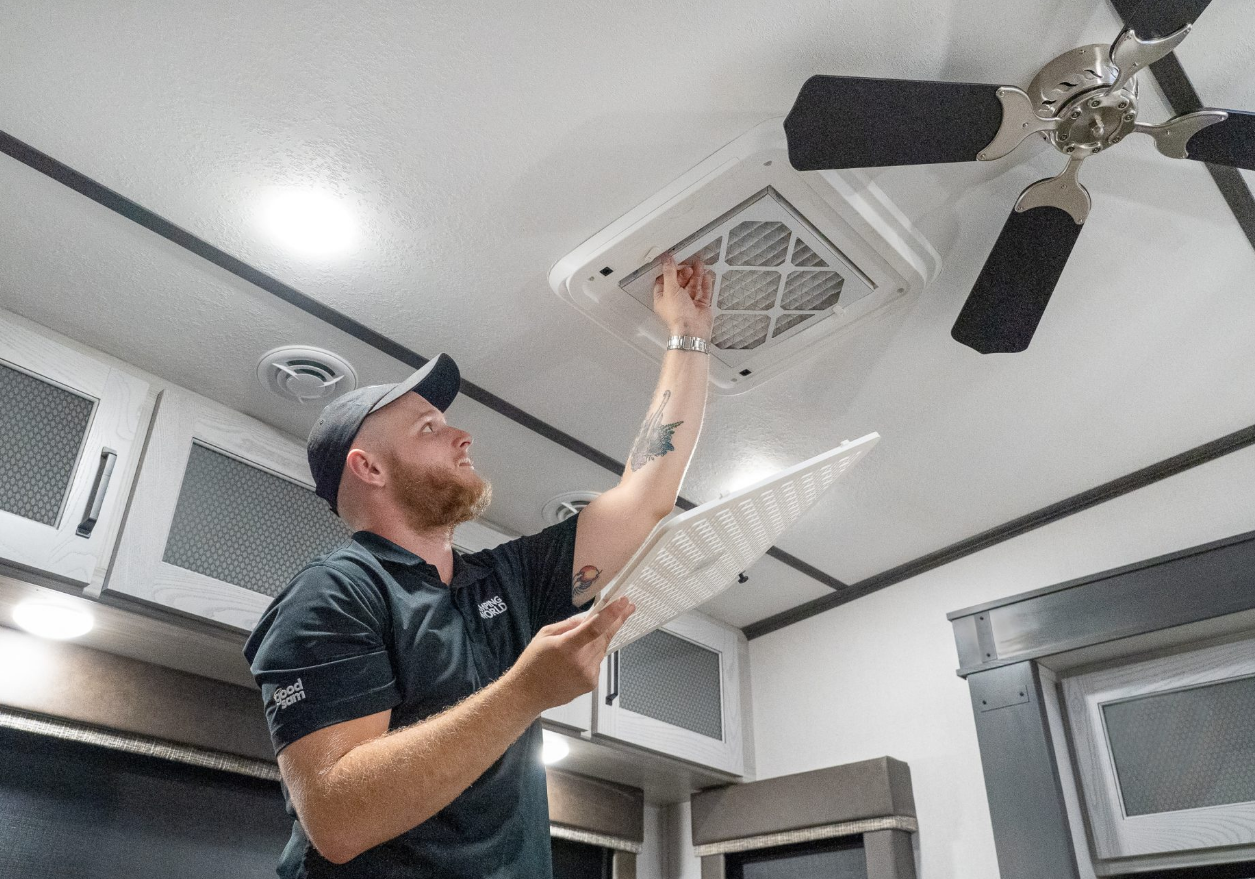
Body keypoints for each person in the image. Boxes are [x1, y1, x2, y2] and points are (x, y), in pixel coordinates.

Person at [244, 253, 715, 878]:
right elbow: (336, 817)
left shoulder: (502, 581)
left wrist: (689, 338)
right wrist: (525, 692)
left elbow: (646, 497)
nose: (462, 435)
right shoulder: (336, 593)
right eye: (429, 428)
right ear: (370, 468)